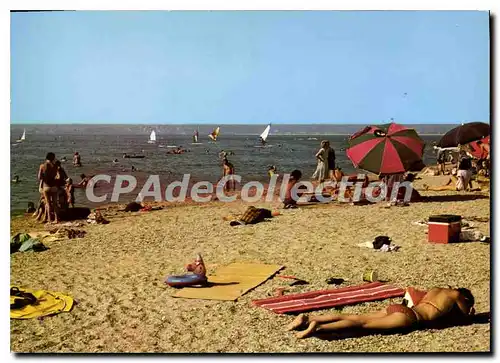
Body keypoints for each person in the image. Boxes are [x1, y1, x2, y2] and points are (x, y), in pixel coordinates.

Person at [286, 287, 475, 339]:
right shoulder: (457, 295)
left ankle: (310, 317)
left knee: (356, 316)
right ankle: (318, 326)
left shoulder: (435, 289)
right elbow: (466, 316)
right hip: (409, 318)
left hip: (401, 308)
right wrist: (470, 311)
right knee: (363, 325)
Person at [37, 152, 59, 223]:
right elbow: (56, 176)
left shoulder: (42, 166)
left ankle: (49, 220)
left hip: (46, 187)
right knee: (55, 203)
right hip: (54, 187)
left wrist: (44, 177)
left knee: (48, 204)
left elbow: (39, 177)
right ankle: (56, 219)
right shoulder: (55, 166)